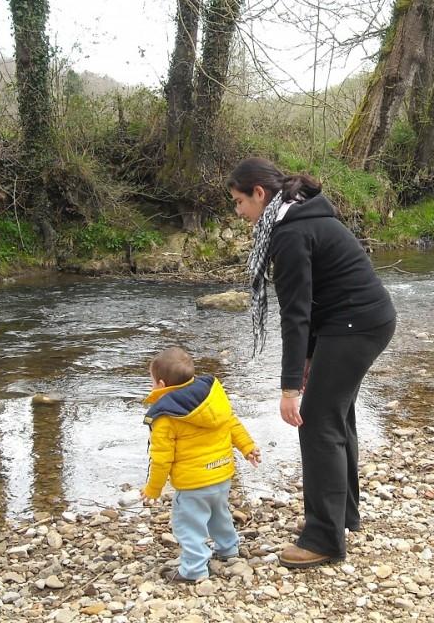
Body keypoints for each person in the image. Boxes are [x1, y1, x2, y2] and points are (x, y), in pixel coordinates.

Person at [227, 157, 396, 569]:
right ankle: (343, 517)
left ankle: (324, 539)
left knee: (318, 424)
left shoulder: (290, 232)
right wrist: (307, 362)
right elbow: (319, 298)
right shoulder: (300, 215)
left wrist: (290, 389)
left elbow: (296, 314)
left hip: (354, 326)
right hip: (362, 321)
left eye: (238, 202)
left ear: (260, 194)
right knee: (336, 417)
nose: (238, 212)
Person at [140, 346, 261, 582]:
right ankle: (228, 549)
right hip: (222, 473)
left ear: (162, 385)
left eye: (152, 382)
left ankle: (194, 569)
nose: (152, 387)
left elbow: (162, 458)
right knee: (219, 513)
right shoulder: (212, 398)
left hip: (193, 483)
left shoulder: (166, 415)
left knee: (188, 526)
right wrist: (248, 447)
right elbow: (231, 423)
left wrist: (152, 489)